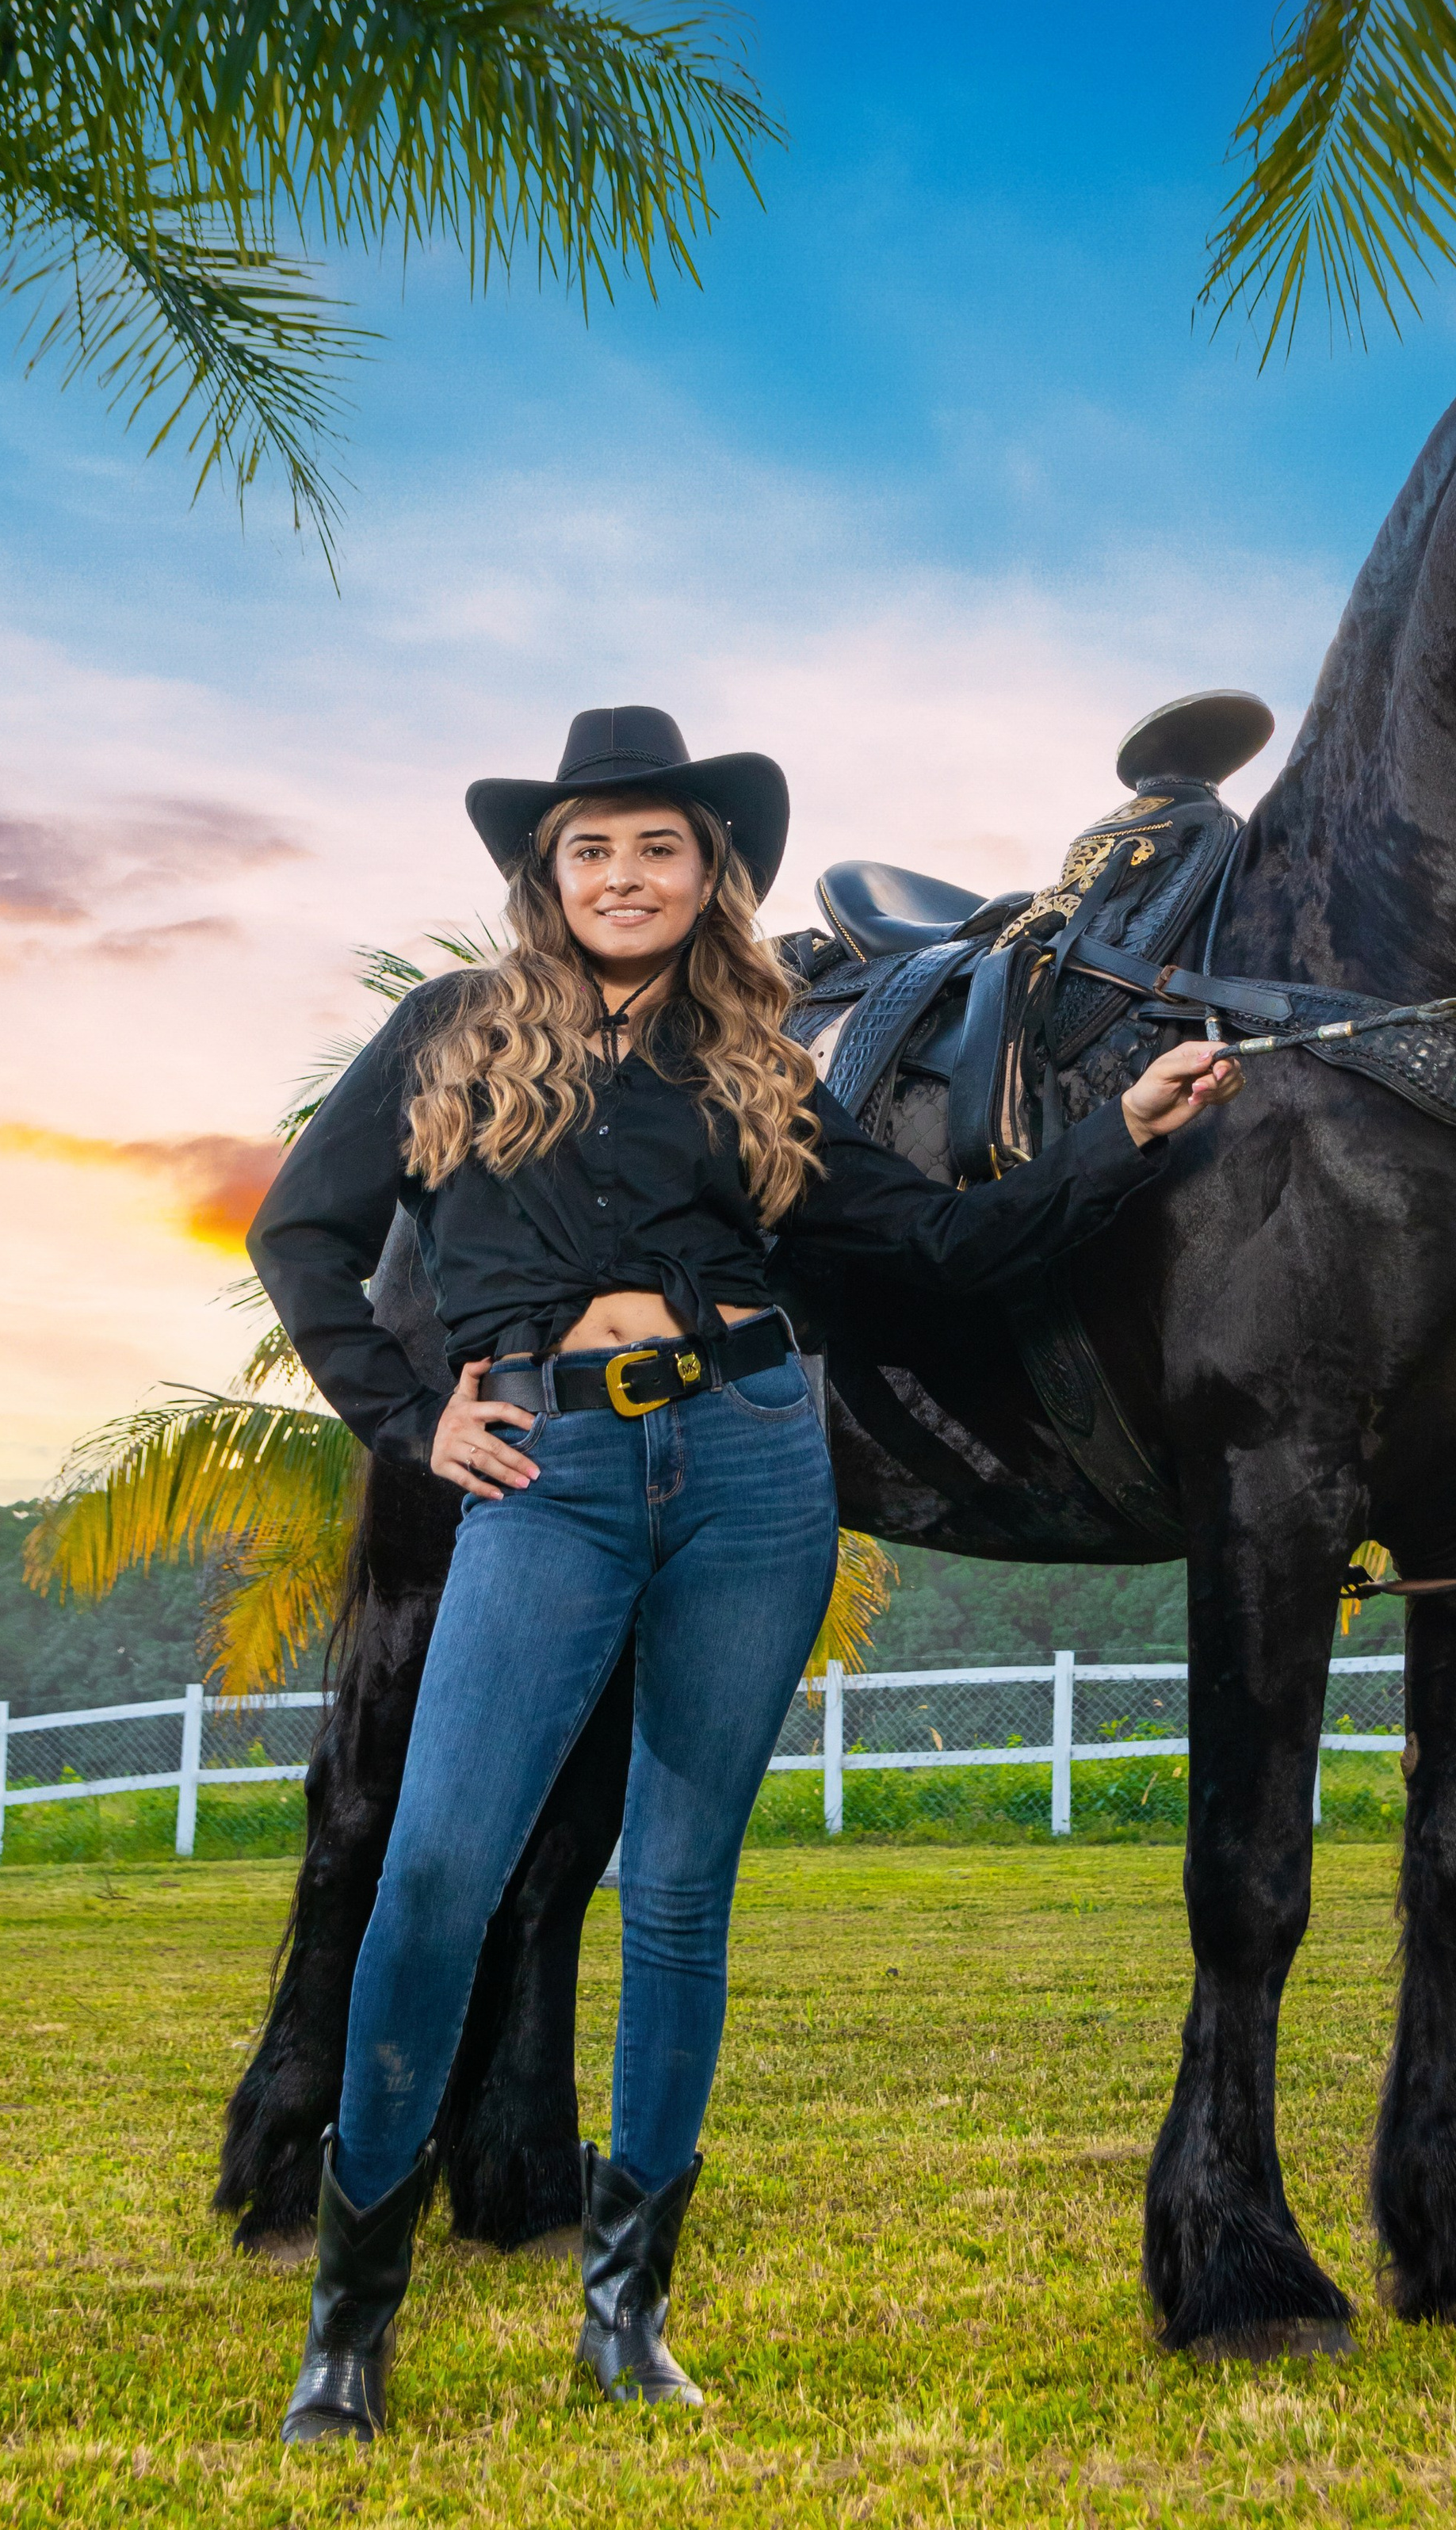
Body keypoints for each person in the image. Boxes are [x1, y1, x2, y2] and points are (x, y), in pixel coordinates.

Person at [247, 705, 1240, 2444]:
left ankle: (623, 2315)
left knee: (684, 1896)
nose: (624, 873)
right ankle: (352, 2322)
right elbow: (301, 1232)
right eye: (591, 846)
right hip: (545, 1473)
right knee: (433, 1877)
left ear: (710, 876)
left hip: (754, 1465)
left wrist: (1123, 1134)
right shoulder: (447, 1036)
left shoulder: (760, 1065)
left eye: (659, 846)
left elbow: (938, 1246)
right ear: (544, 875)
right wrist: (411, 1419)